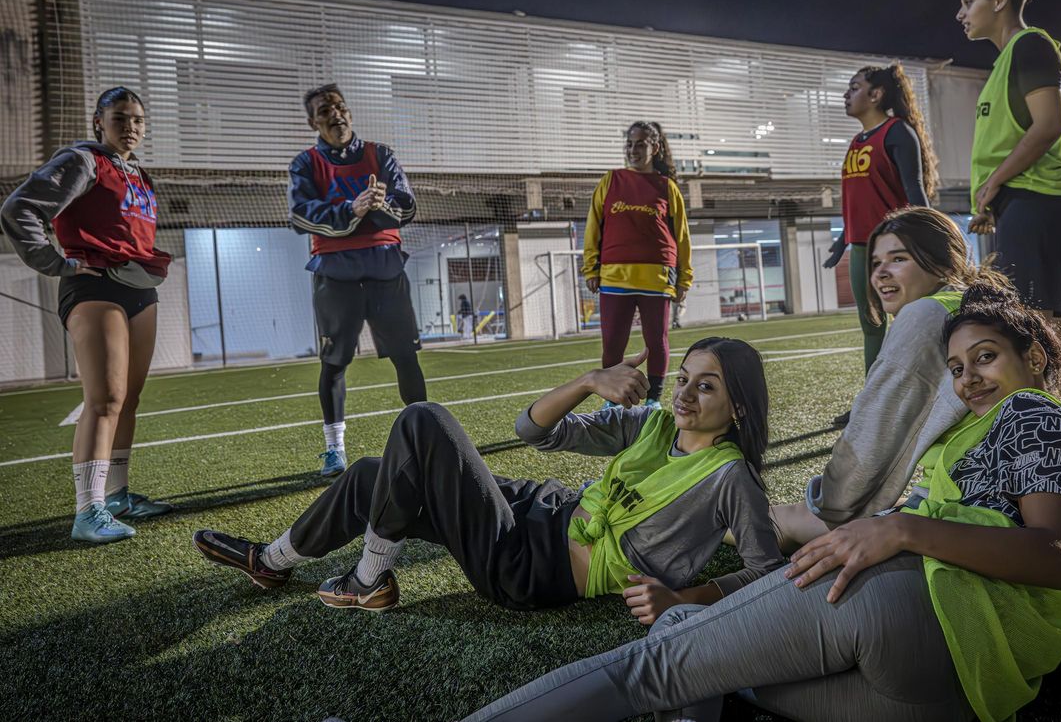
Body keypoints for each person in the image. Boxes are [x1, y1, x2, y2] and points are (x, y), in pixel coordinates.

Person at [462, 283, 1061, 722]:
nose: (969, 378)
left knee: (651, 666)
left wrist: (900, 527)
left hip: (904, 607)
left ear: (1036, 355)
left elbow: (1059, 557)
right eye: (956, 368)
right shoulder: (1031, 442)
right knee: (697, 670)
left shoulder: (1031, 414)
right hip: (953, 687)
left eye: (986, 356)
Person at [774, 207, 1061, 647]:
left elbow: (870, 437)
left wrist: (835, 510)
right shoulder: (982, 311)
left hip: (983, 508)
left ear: (943, 261)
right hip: (1054, 487)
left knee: (785, 524)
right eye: (875, 262)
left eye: (899, 258)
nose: (881, 274)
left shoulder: (925, 315)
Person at [193, 338, 783, 617]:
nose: (684, 393)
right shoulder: (651, 423)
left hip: (534, 568)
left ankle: (370, 577)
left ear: (738, 409)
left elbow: (765, 574)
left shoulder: (730, 479)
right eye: (683, 378)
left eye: (705, 385)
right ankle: (270, 562)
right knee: (374, 474)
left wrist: (683, 596)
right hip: (538, 508)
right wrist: (585, 383)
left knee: (423, 421)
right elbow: (535, 431)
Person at [1, 87, 172, 543]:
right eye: (120, 118)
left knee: (129, 400)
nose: (130, 126)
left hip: (139, 288)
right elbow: (18, 208)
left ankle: (116, 495)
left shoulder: (137, 173)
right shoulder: (82, 160)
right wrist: (57, 263)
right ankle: (88, 510)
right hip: (94, 285)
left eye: (137, 119)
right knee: (105, 399)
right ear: (98, 121)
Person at [958, 0, 1061, 414]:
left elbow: (1049, 124)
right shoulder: (1003, 63)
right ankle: (1047, 411)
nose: (961, 13)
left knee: (1045, 315)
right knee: (1030, 317)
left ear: (999, 0)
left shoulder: (1032, 45)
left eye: (969, 1)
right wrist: (993, 199)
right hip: (1020, 199)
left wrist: (994, 183)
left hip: (1042, 196)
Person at [288, 84, 426, 477]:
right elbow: (301, 216)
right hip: (336, 274)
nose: (336, 113)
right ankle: (334, 450)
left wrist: (381, 206)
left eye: (340, 106)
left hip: (385, 268)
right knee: (335, 363)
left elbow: (407, 203)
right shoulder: (304, 164)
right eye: (324, 109)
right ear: (312, 120)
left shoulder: (380, 155)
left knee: (406, 356)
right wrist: (352, 208)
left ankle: (424, 438)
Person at [824, 63, 939, 427]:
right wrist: (843, 240)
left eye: (854, 87)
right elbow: (856, 201)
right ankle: (873, 404)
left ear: (876, 95)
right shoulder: (855, 142)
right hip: (862, 249)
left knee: (916, 325)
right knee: (871, 325)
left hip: (898, 248)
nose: (847, 94)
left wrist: (932, 242)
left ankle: (931, 397)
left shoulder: (897, 132)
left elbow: (915, 192)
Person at [583, 121, 692, 409]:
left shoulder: (666, 187)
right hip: (614, 276)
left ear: (654, 148)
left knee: (656, 340)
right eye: (630, 144)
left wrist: (684, 279)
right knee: (613, 343)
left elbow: (681, 236)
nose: (634, 149)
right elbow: (593, 226)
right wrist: (591, 267)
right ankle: (613, 398)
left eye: (641, 144)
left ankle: (654, 399)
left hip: (656, 277)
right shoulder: (611, 181)